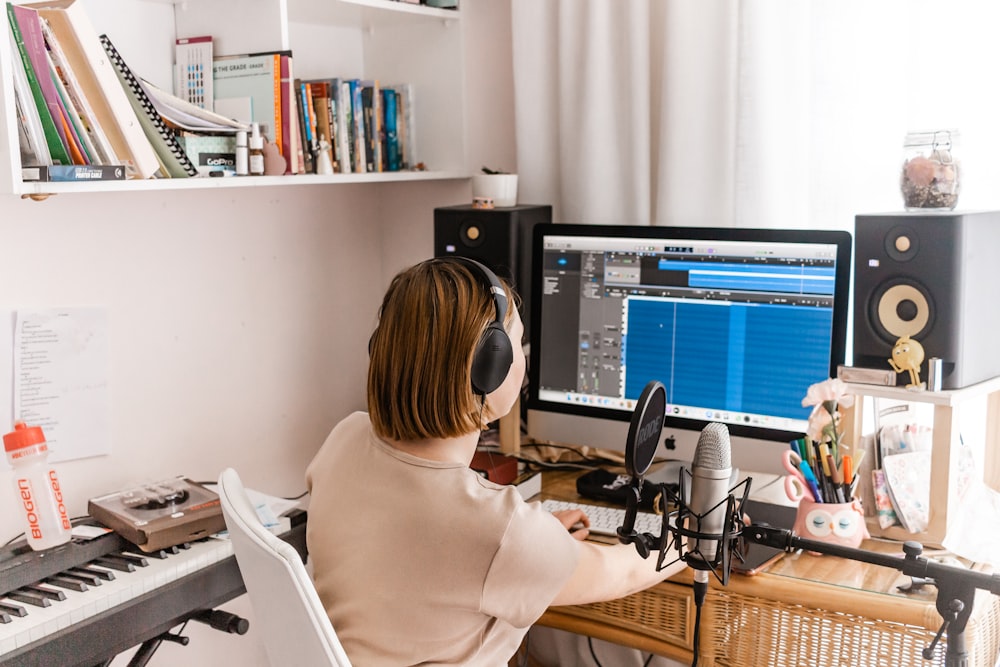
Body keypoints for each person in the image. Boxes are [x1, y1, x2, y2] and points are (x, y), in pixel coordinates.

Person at [306, 257, 686, 666]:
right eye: (517, 342)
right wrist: (697, 534)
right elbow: (623, 571)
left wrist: (537, 540)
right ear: (490, 366)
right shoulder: (499, 531)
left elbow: (418, 550)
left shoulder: (343, 438)